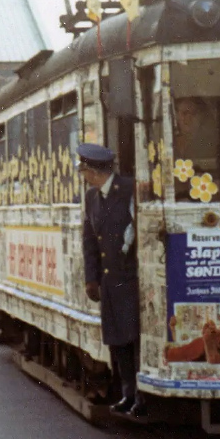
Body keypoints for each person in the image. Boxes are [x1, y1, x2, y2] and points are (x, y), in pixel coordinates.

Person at [79, 144, 144, 418]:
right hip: (110, 281)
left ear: (94, 172)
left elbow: (139, 231)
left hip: (130, 280)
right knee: (118, 342)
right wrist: (91, 279)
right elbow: (90, 241)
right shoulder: (92, 198)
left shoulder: (129, 190)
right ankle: (129, 393)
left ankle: (140, 395)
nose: (83, 176)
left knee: (133, 340)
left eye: (84, 171)